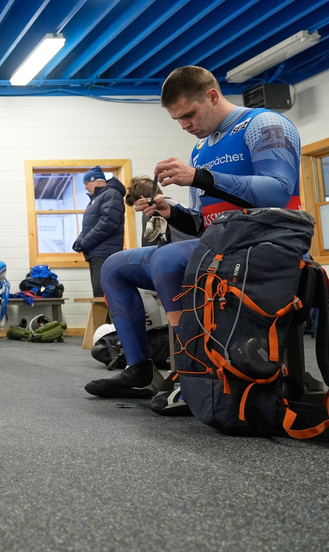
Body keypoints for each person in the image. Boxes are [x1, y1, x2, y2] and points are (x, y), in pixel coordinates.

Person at [86, 66, 301, 412]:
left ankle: (192, 374)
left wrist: (200, 177)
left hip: (266, 246)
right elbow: (205, 224)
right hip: (219, 247)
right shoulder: (201, 148)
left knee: (168, 257)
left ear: (213, 96)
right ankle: (139, 369)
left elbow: (278, 191)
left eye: (189, 114)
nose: (185, 125)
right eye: (177, 120)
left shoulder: (265, 124)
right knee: (114, 266)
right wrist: (170, 212)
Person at [73, 167, 126, 298]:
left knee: (104, 294)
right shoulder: (95, 200)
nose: (85, 188)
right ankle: (105, 319)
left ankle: (110, 319)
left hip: (105, 253)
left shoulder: (111, 194)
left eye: (86, 183)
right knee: (99, 293)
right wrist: (79, 240)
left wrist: (85, 242)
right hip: (96, 253)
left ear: (97, 181)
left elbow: (108, 222)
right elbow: (90, 226)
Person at [123, 176, 192, 248]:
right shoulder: (178, 206)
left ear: (142, 199)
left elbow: (150, 248)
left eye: (138, 205)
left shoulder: (151, 210)